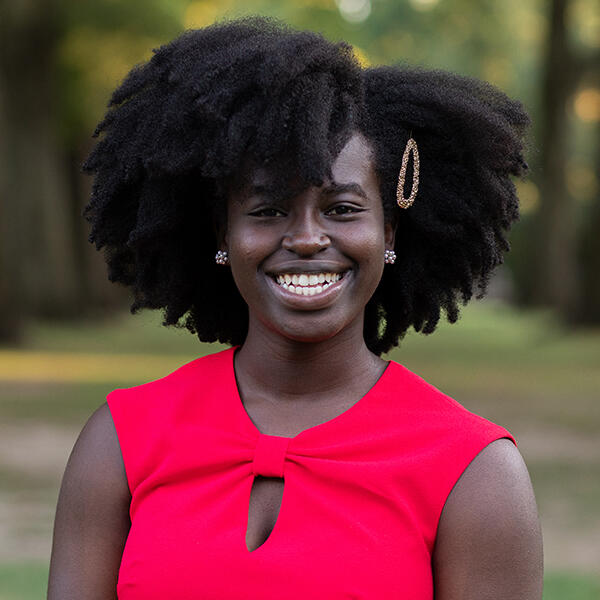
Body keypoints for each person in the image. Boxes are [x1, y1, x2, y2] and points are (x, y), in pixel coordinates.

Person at [48, 16, 543, 599]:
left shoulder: (473, 470)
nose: (306, 238)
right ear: (222, 233)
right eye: (268, 210)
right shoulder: (121, 441)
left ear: (390, 231)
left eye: (341, 208)